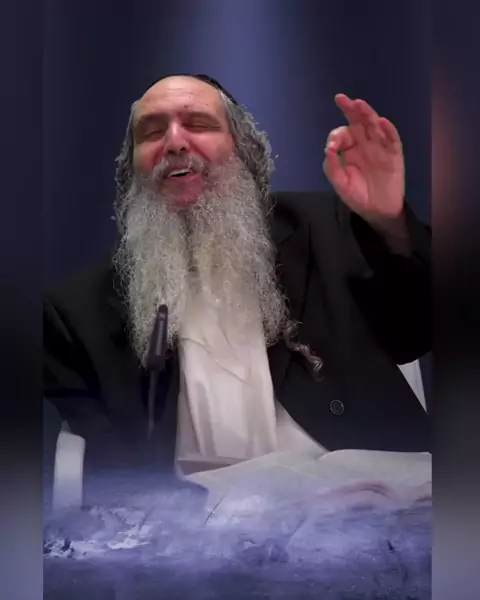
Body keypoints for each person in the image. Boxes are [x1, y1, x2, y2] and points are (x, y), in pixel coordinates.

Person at [43, 74, 430, 482]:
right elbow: (118, 477)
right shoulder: (72, 316)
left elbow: (415, 333)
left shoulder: (327, 227)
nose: (174, 142)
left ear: (244, 150)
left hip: (359, 491)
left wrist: (390, 224)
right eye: (152, 132)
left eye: (198, 124)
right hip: (194, 512)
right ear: (131, 167)